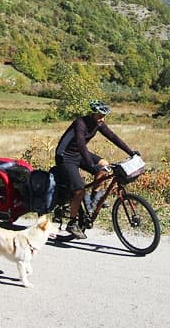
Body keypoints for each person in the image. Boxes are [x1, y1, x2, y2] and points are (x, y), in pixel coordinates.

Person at [54, 99, 138, 239]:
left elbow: (113, 137)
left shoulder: (99, 123)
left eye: (104, 116)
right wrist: (89, 163)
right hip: (65, 156)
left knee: (104, 166)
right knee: (79, 189)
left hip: (78, 154)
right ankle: (72, 223)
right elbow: (81, 144)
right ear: (92, 114)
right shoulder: (80, 122)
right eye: (100, 115)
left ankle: (92, 199)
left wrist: (131, 152)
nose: (102, 119)